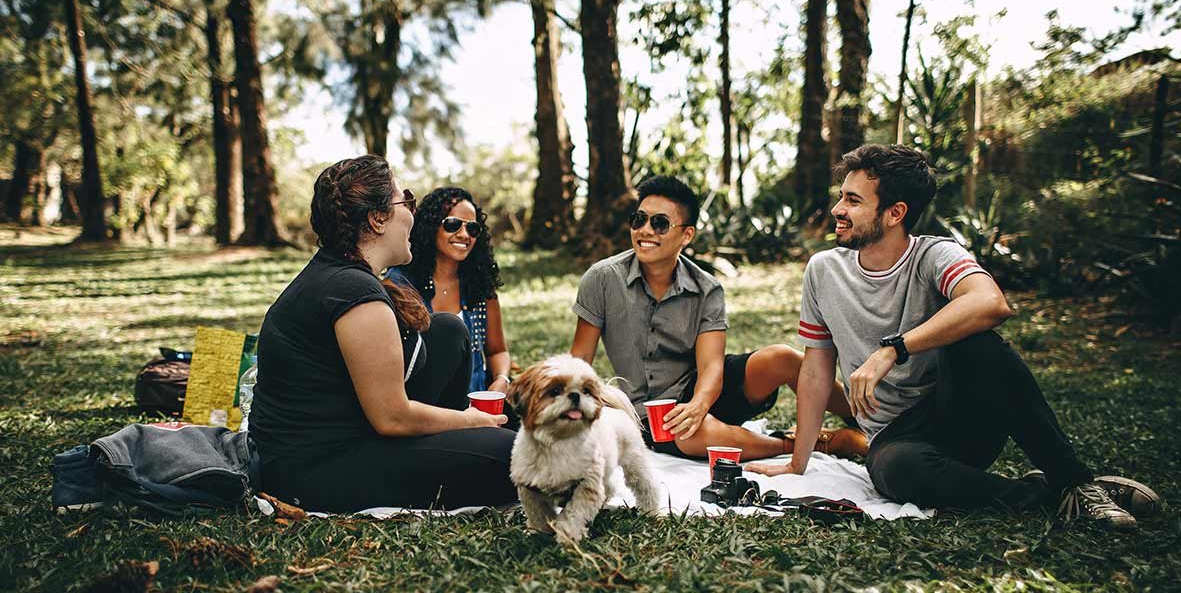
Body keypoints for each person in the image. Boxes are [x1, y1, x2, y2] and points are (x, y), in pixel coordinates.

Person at [747, 144, 1161, 528]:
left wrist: (894, 349)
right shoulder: (824, 270)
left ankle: (1076, 480)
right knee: (895, 471)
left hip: (961, 416)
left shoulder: (935, 254)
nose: (838, 208)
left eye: (853, 201)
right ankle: (1053, 494)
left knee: (979, 341)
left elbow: (990, 303)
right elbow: (817, 371)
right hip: (897, 440)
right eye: (842, 195)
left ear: (895, 213)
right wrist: (797, 463)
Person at [250, 155, 516, 513]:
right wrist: (471, 420)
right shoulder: (353, 293)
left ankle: (462, 442)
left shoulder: (343, 274)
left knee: (448, 331)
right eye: (405, 200)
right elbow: (392, 417)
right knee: (513, 456)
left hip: (349, 433)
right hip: (315, 470)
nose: (412, 212)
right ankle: (470, 443)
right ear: (377, 219)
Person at [570, 175, 864, 461]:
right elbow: (579, 361)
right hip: (649, 414)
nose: (645, 230)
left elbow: (711, 366)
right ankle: (814, 444)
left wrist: (698, 404)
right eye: (639, 220)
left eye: (659, 223)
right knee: (691, 434)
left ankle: (865, 419)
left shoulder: (706, 288)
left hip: (703, 390)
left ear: (686, 235)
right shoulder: (602, 279)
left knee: (782, 358)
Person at [384, 187, 511, 394]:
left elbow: (497, 351)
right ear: (431, 226)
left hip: (477, 405)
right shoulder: (401, 284)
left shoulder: (479, 286)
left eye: (472, 228)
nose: (464, 235)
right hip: (423, 407)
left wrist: (501, 379)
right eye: (452, 225)